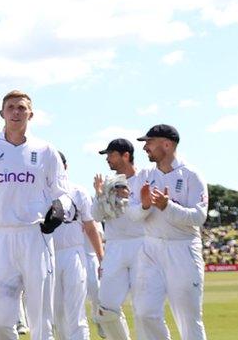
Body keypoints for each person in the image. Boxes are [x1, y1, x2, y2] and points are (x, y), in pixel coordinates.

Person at [0, 90, 70, 340]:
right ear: (2, 113)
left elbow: (63, 192)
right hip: (0, 236)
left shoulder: (45, 150)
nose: (16, 112)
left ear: (30, 114)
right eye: (11, 107)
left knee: (40, 320)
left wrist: (59, 209)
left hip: (36, 236)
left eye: (22, 108)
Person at [127, 124, 208, 340]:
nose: (145, 148)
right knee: (145, 313)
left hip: (182, 248)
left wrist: (168, 206)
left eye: (149, 143)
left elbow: (198, 217)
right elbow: (133, 214)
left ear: (166, 144)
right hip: (150, 249)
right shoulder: (144, 175)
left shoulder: (191, 175)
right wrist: (144, 206)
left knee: (188, 318)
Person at [92, 138, 144, 340]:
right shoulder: (107, 183)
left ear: (126, 155)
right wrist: (100, 195)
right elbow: (96, 216)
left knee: (145, 309)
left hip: (141, 244)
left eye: (111, 154)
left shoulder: (144, 178)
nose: (107, 159)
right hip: (114, 246)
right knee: (105, 306)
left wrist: (126, 197)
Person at [50, 152, 104, 340]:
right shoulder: (40, 190)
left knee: (75, 309)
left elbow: (90, 227)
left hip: (73, 253)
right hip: (49, 255)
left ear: (66, 166)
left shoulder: (78, 192)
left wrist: (101, 257)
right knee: (56, 312)